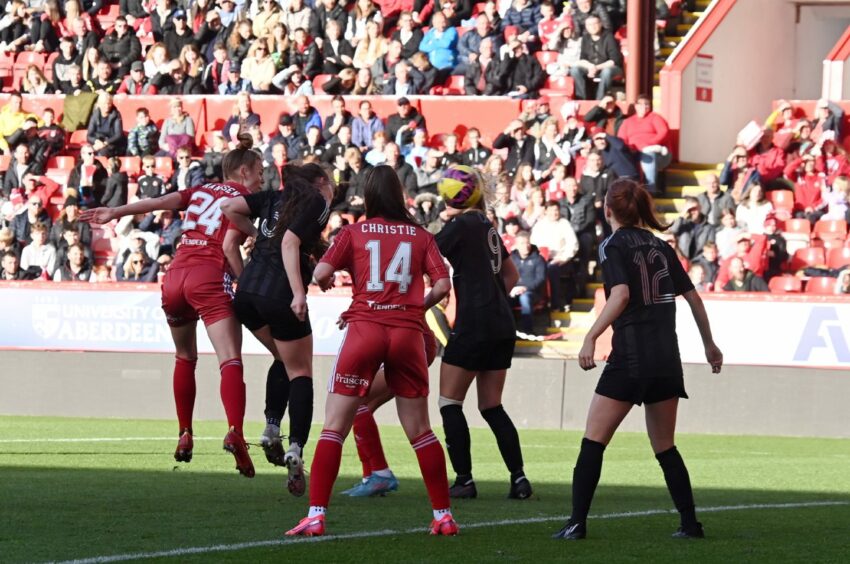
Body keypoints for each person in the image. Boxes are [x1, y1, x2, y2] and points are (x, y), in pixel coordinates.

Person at [80, 135, 266, 478]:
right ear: (243, 171)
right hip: (209, 276)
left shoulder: (200, 190)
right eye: (260, 172)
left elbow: (158, 201)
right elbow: (228, 247)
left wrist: (115, 212)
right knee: (230, 358)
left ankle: (184, 434)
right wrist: (245, 281)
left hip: (175, 276)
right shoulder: (245, 197)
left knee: (185, 357)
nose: (263, 179)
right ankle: (235, 432)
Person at [286, 165, 457, 537]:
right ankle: (443, 515)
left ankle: (316, 515)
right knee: (421, 431)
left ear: (369, 196)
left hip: (365, 328)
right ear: (399, 194)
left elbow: (319, 274)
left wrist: (329, 276)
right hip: (408, 333)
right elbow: (443, 284)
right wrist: (418, 307)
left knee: (334, 426)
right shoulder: (419, 235)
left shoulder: (353, 231)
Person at [553, 179, 723, 541]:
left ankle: (576, 523)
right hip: (666, 358)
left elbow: (620, 295)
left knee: (593, 442)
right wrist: (710, 344)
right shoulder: (661, 245)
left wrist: (590, 335)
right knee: (666, 447)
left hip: (631, 356)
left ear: (608, 209)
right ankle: (690, 524)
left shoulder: (612, 245)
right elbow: (693, 298)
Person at [220, 163, 333, 495]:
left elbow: (229, 207)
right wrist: (299, 292)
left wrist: (256, 235)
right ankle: (295, 448)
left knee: (284, 360)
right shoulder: (317, 202)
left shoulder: (273, 198)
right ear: (320, 183)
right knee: (301, 371)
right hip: (279, 294)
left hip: (248, 294)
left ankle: (271, 428)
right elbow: (289, 243)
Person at [434, 164, 533, 500]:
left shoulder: (460, 225)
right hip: (501, 323)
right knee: (492, 406)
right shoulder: (486, 225)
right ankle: (518, 478)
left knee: (449, 402)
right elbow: (512, 275)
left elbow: (427, 251)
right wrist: (491, 298)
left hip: (474, 324)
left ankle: (464, 479)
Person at [509, 231, 547, 334]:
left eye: (527, 243)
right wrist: (510, 289)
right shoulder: (511, 259)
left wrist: (525, 288)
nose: (526, 246)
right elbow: (506, 277)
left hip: (532, 293)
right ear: (516, 245)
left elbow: (541, 279)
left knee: (525, 298)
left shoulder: (539, 259)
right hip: (513, 292)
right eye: (522, 243)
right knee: (501, 299)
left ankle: (527, 331)